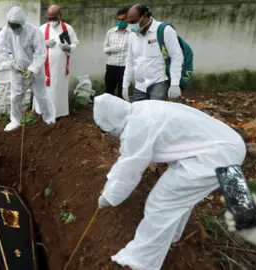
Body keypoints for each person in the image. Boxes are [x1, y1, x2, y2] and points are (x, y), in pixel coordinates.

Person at [93, 93, 246, 270]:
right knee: (179, 198)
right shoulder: (140, 109)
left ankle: (140, 261)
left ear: (111, 123)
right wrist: (110, 185)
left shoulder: (137, 127)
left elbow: (130, 167)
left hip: (217, 156)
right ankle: (172, 235)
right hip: (226, 145)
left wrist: (110, 196)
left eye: (107, 130)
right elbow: (127, 157)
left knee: (161, 203)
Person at [0, 6, 56, 131]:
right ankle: (15, 121)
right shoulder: (5, 33)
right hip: (17, 69)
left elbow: (40, 53)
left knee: (41, 94)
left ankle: (49, 118)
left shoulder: (33, 31)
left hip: (35, 70)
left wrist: (32, 69)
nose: (15, 29)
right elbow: (1, 53)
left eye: (17, 26)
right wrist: (12, 65)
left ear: (23, 23)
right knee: (15, 96)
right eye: (12, 26)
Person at [122, 4, 183, 102]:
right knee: (138, 113)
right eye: (129, 22)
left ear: (145, 16)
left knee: (155, 113)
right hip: (140, 85)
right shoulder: (132, 36)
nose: (131, 26)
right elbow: (130, 61)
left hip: (159, 81)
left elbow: (176, 56)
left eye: (133, 22)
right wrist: (125, 85)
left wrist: (175, 83)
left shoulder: (164, 30)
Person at [33, 5, 79, 119]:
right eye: (50, 18)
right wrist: (44, 43)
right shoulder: (42, 29)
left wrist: (68, 48)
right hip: (45, 68)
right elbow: (34, 46)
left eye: (54, 17)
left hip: (60, 68)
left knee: (58, 90)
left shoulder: (67, 28)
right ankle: (43, 112)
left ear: (60, 16)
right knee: (44, 90)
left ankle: (58, 114)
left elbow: (75, 44)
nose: (52, 20)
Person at [103, 6, 130, 98]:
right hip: (111, 66)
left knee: (122, 93)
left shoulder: (132, 33)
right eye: (119, 19)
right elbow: (105, 49)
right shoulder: (111, 32)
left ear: (128, 19)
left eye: (123, 19)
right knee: (109, 92)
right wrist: (111, 49)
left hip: (124, 67)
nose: (120, 21)